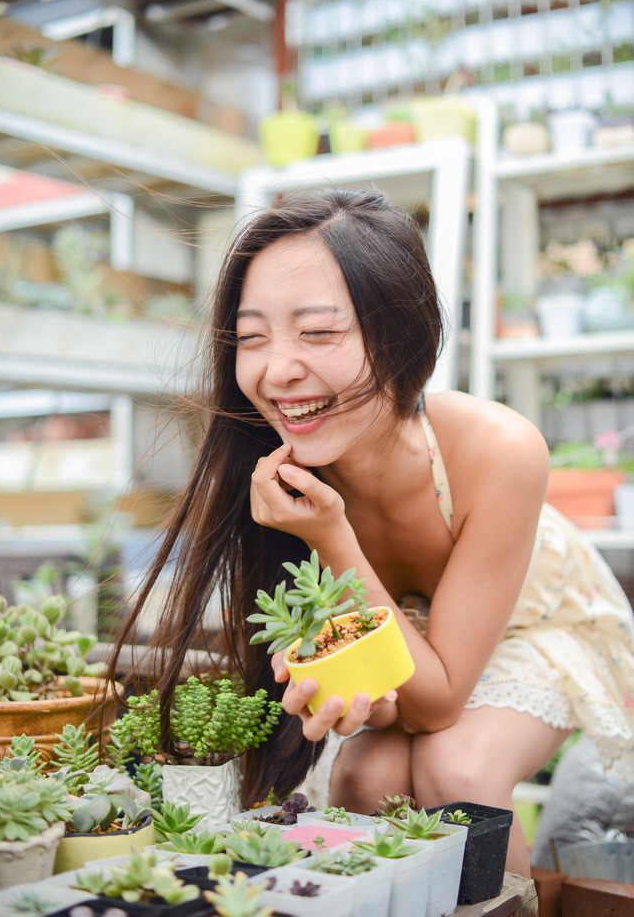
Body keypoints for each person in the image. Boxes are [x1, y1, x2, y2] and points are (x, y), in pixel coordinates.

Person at [108, 188, 634, 878]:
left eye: (319, 332)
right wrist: (357, 692)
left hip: (535, 625)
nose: (278, 369)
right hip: (416, 645)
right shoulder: (271, 476)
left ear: (401, 332)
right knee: (365, 783)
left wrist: (333, 537)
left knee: (458, 770)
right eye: (253, 336)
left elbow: (441, 700)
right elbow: (393, 695)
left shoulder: (500, 448)